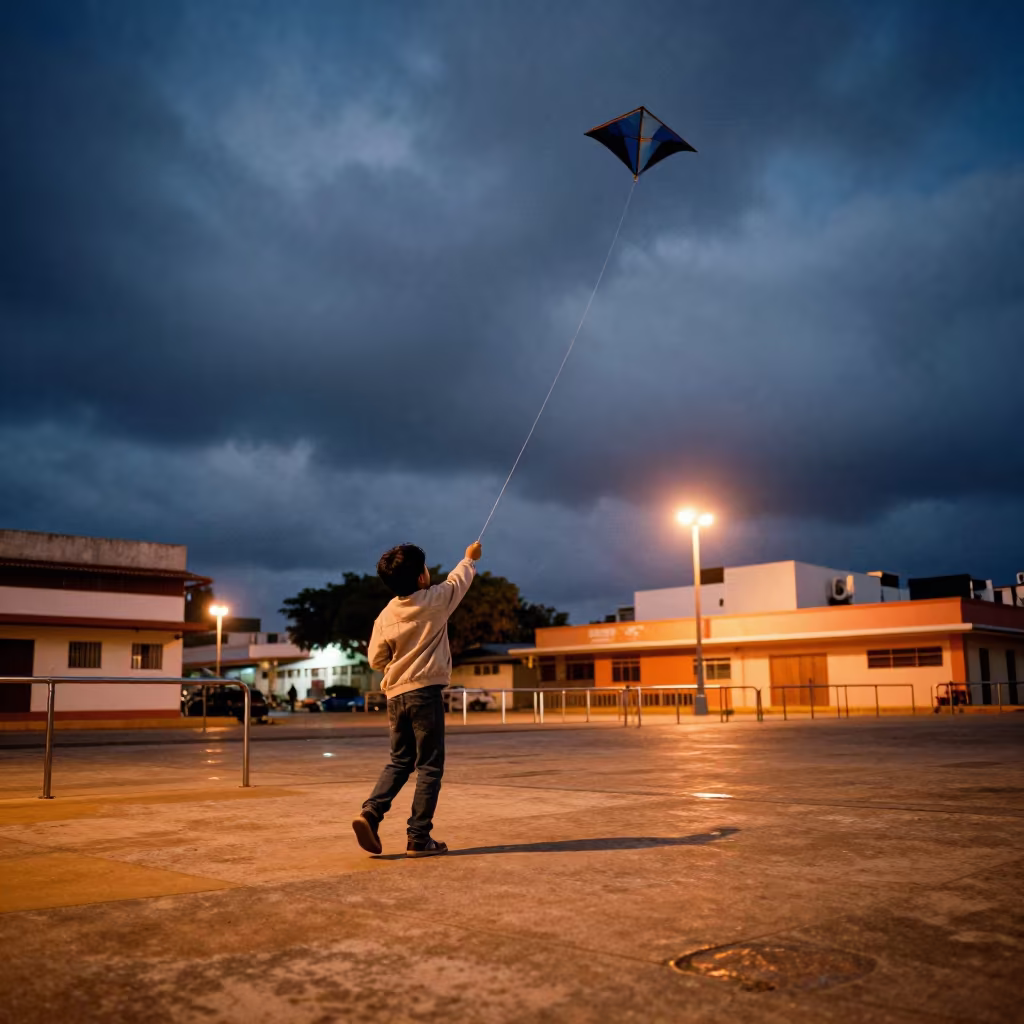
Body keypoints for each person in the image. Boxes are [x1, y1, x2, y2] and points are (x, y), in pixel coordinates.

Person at [352, 540, 481, 858]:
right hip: (426, 693)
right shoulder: (436, 600)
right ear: (422, 578)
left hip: (396, 695)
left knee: (399, 761)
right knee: (429, 767)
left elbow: (375, 660)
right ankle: (418, 837)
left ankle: (370, 812)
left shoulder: (385, 615)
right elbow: (458, 581)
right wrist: (469, 558)